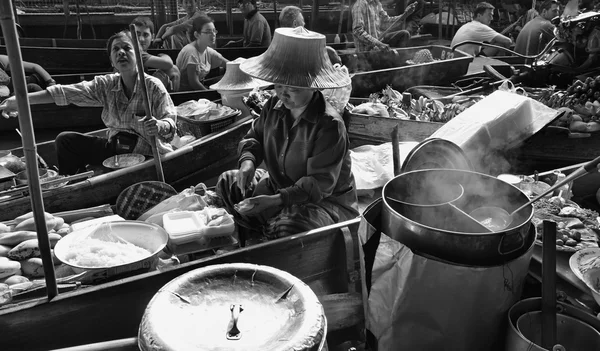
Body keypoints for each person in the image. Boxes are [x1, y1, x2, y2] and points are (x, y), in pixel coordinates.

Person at [216, 26, 359, 242]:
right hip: (276, 187)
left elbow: (318, 184)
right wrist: (248, 162)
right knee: (228, 182)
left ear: (313, 86)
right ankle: (260, 230)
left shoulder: (330, 125)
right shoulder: (273, 105)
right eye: (279, 84)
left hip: (321, 203)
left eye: (293, 87)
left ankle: (271, 231)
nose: (283, 92)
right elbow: (254, 137)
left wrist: (275, 200)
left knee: (288, 226)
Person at [0, 30, 177, 176]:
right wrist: (21, 101)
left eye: (127, 48)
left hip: (147, 152)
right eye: (116, 50)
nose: (121, 52)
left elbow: (170, 120)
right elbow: (66, 92)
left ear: (139, 56)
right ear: (112, 61)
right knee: (65, 140)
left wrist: (159, 125)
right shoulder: (106, 84)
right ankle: (73, 183)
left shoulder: (152, 86)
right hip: (116, 149)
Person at [176, 15, 229, 91]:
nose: (213, 34)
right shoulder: (191, 52)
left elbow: (229, 64)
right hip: (189, 93)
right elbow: (194, 83)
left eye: (214, 31)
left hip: (201, 87)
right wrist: (209, 94)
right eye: (208, 32)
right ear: (197, 35)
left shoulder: (207, 51)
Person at [131, 16, 181, 92]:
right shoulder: (135, 52)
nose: (141, 39)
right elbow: (168, 64)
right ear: (131, 35)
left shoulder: (142, 52)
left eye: (145, 35)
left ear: (152, 37)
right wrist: (164, 55)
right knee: (173, 70)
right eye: (137, 34)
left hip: (140, 88)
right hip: (135, 93)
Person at [352, 0, 418, 52]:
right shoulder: (360, 5)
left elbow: (387, 21)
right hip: (367, 48)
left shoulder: (377, 4)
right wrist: (378, 44)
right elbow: (357, 31)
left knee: (404, 34)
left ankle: (397, 59)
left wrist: (405, 15)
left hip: (379, 41)